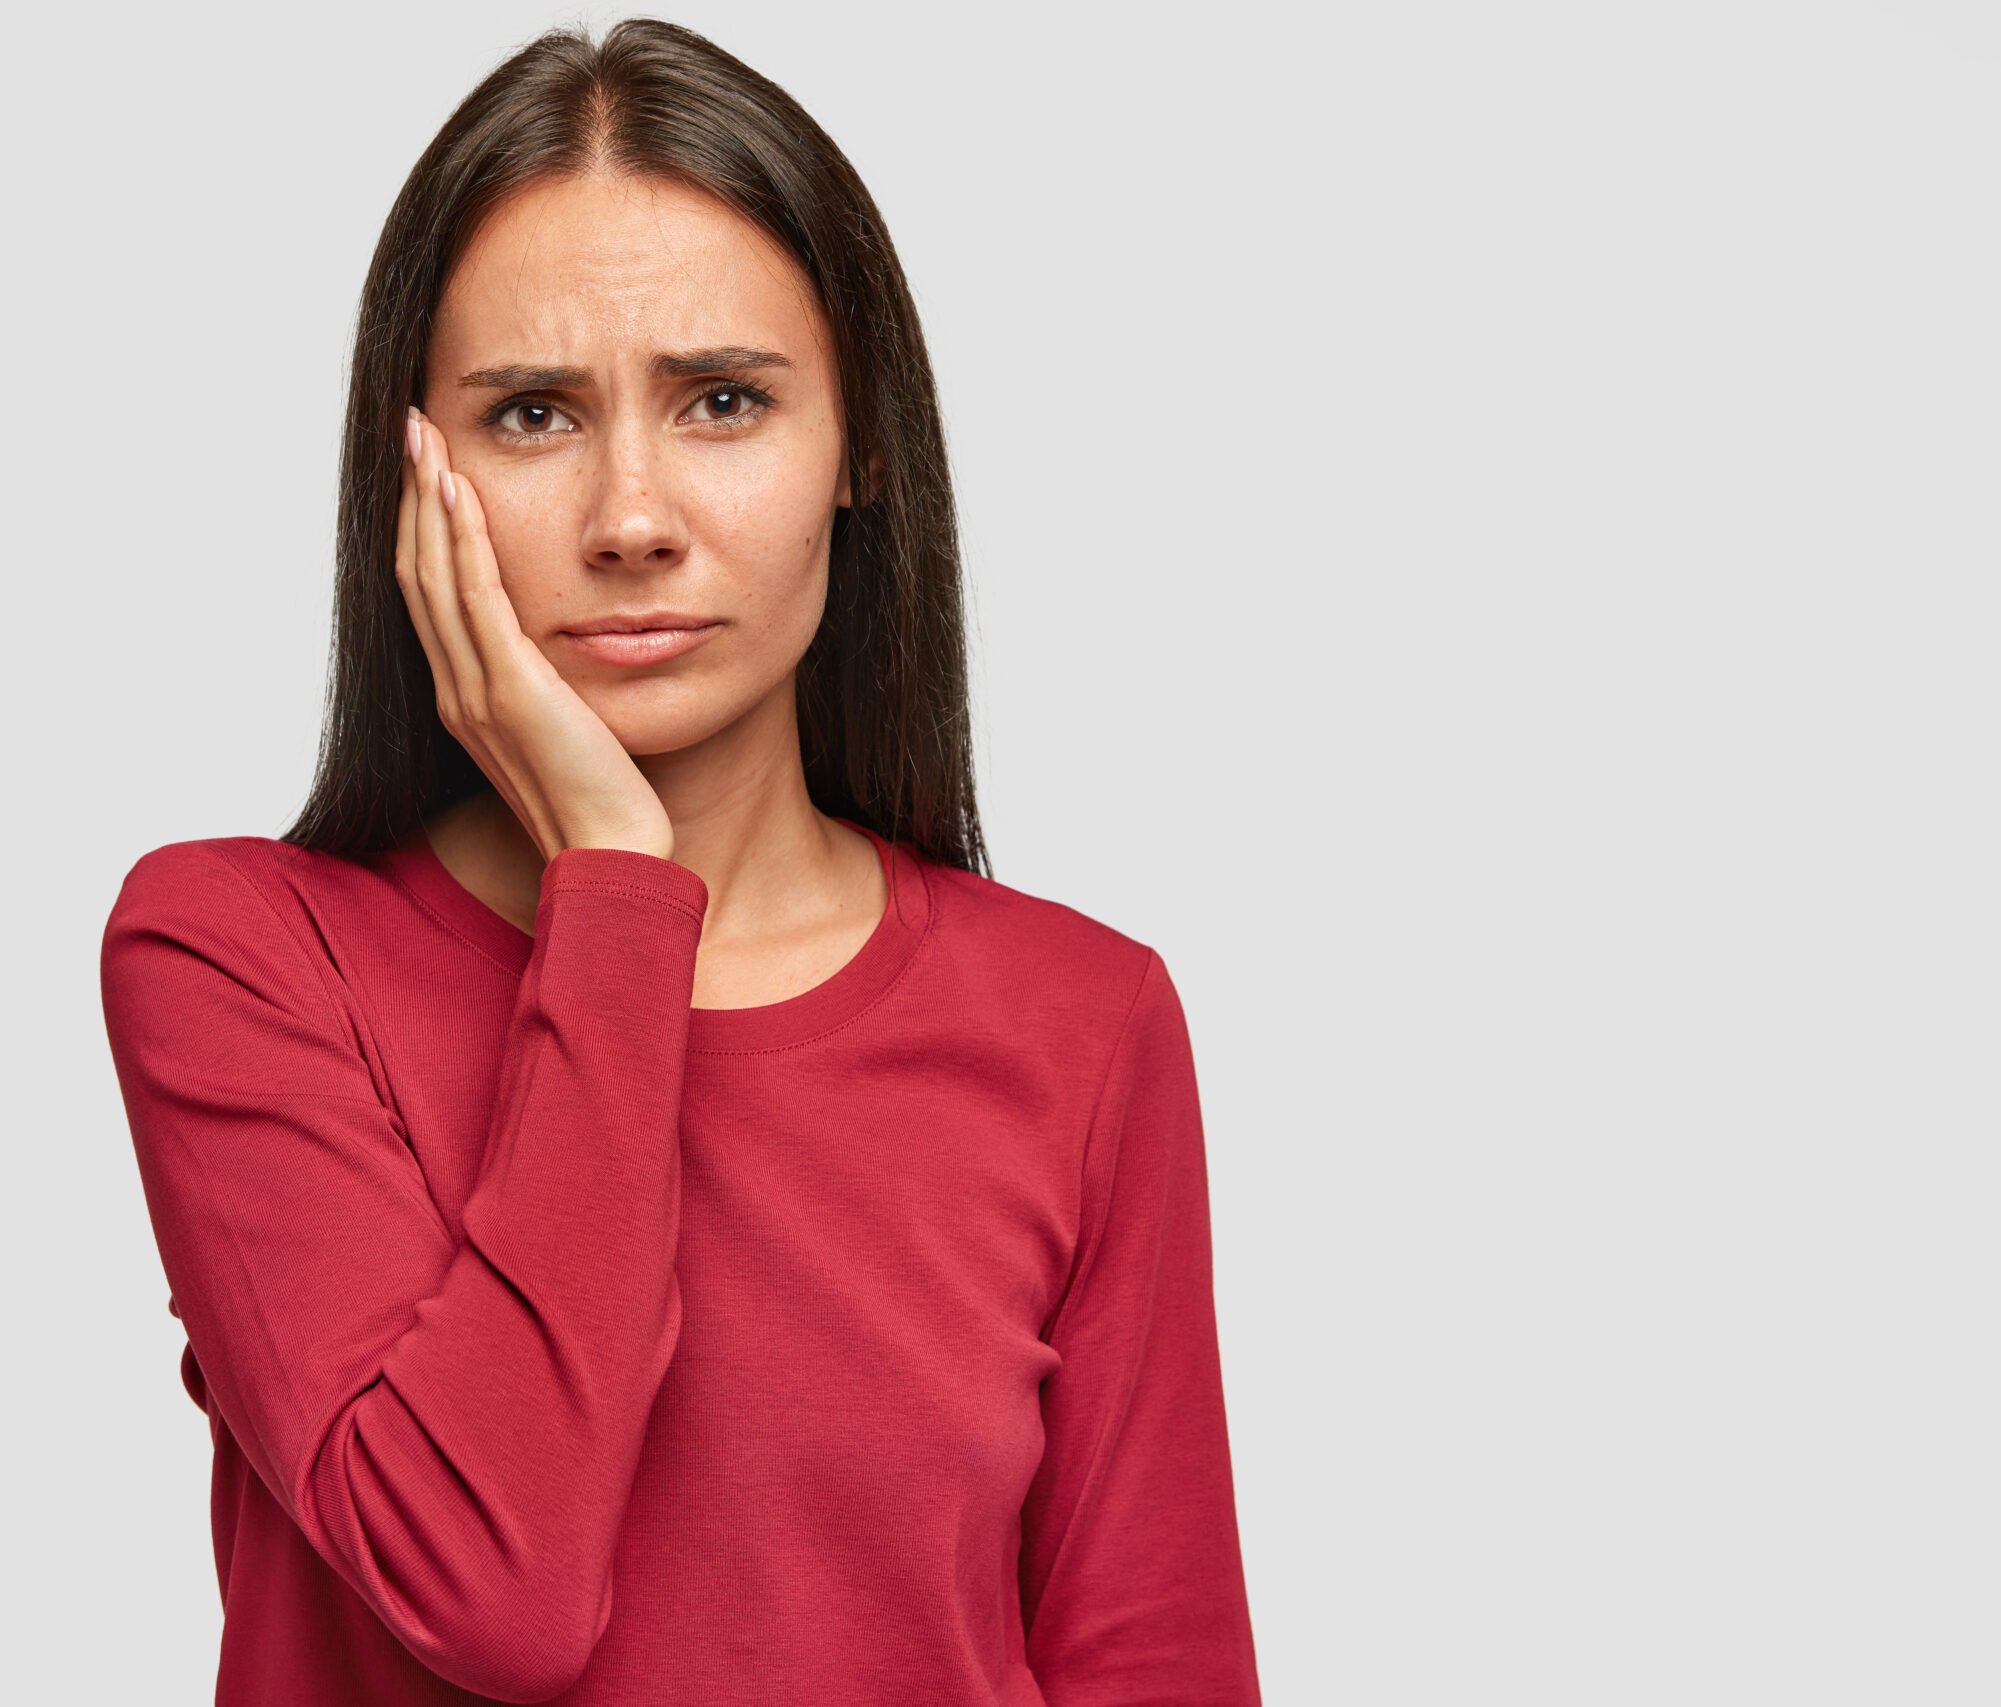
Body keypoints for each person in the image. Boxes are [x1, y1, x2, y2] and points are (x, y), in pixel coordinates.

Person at [97, 20, 1258, 1706]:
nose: (631, 519)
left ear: (861, 446)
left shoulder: (1080, 1022)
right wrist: (619, 890)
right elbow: (492, 1592)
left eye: (724, 401)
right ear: (412, 473)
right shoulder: (244, 958)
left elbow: (1156, 1667)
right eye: (532, 415)